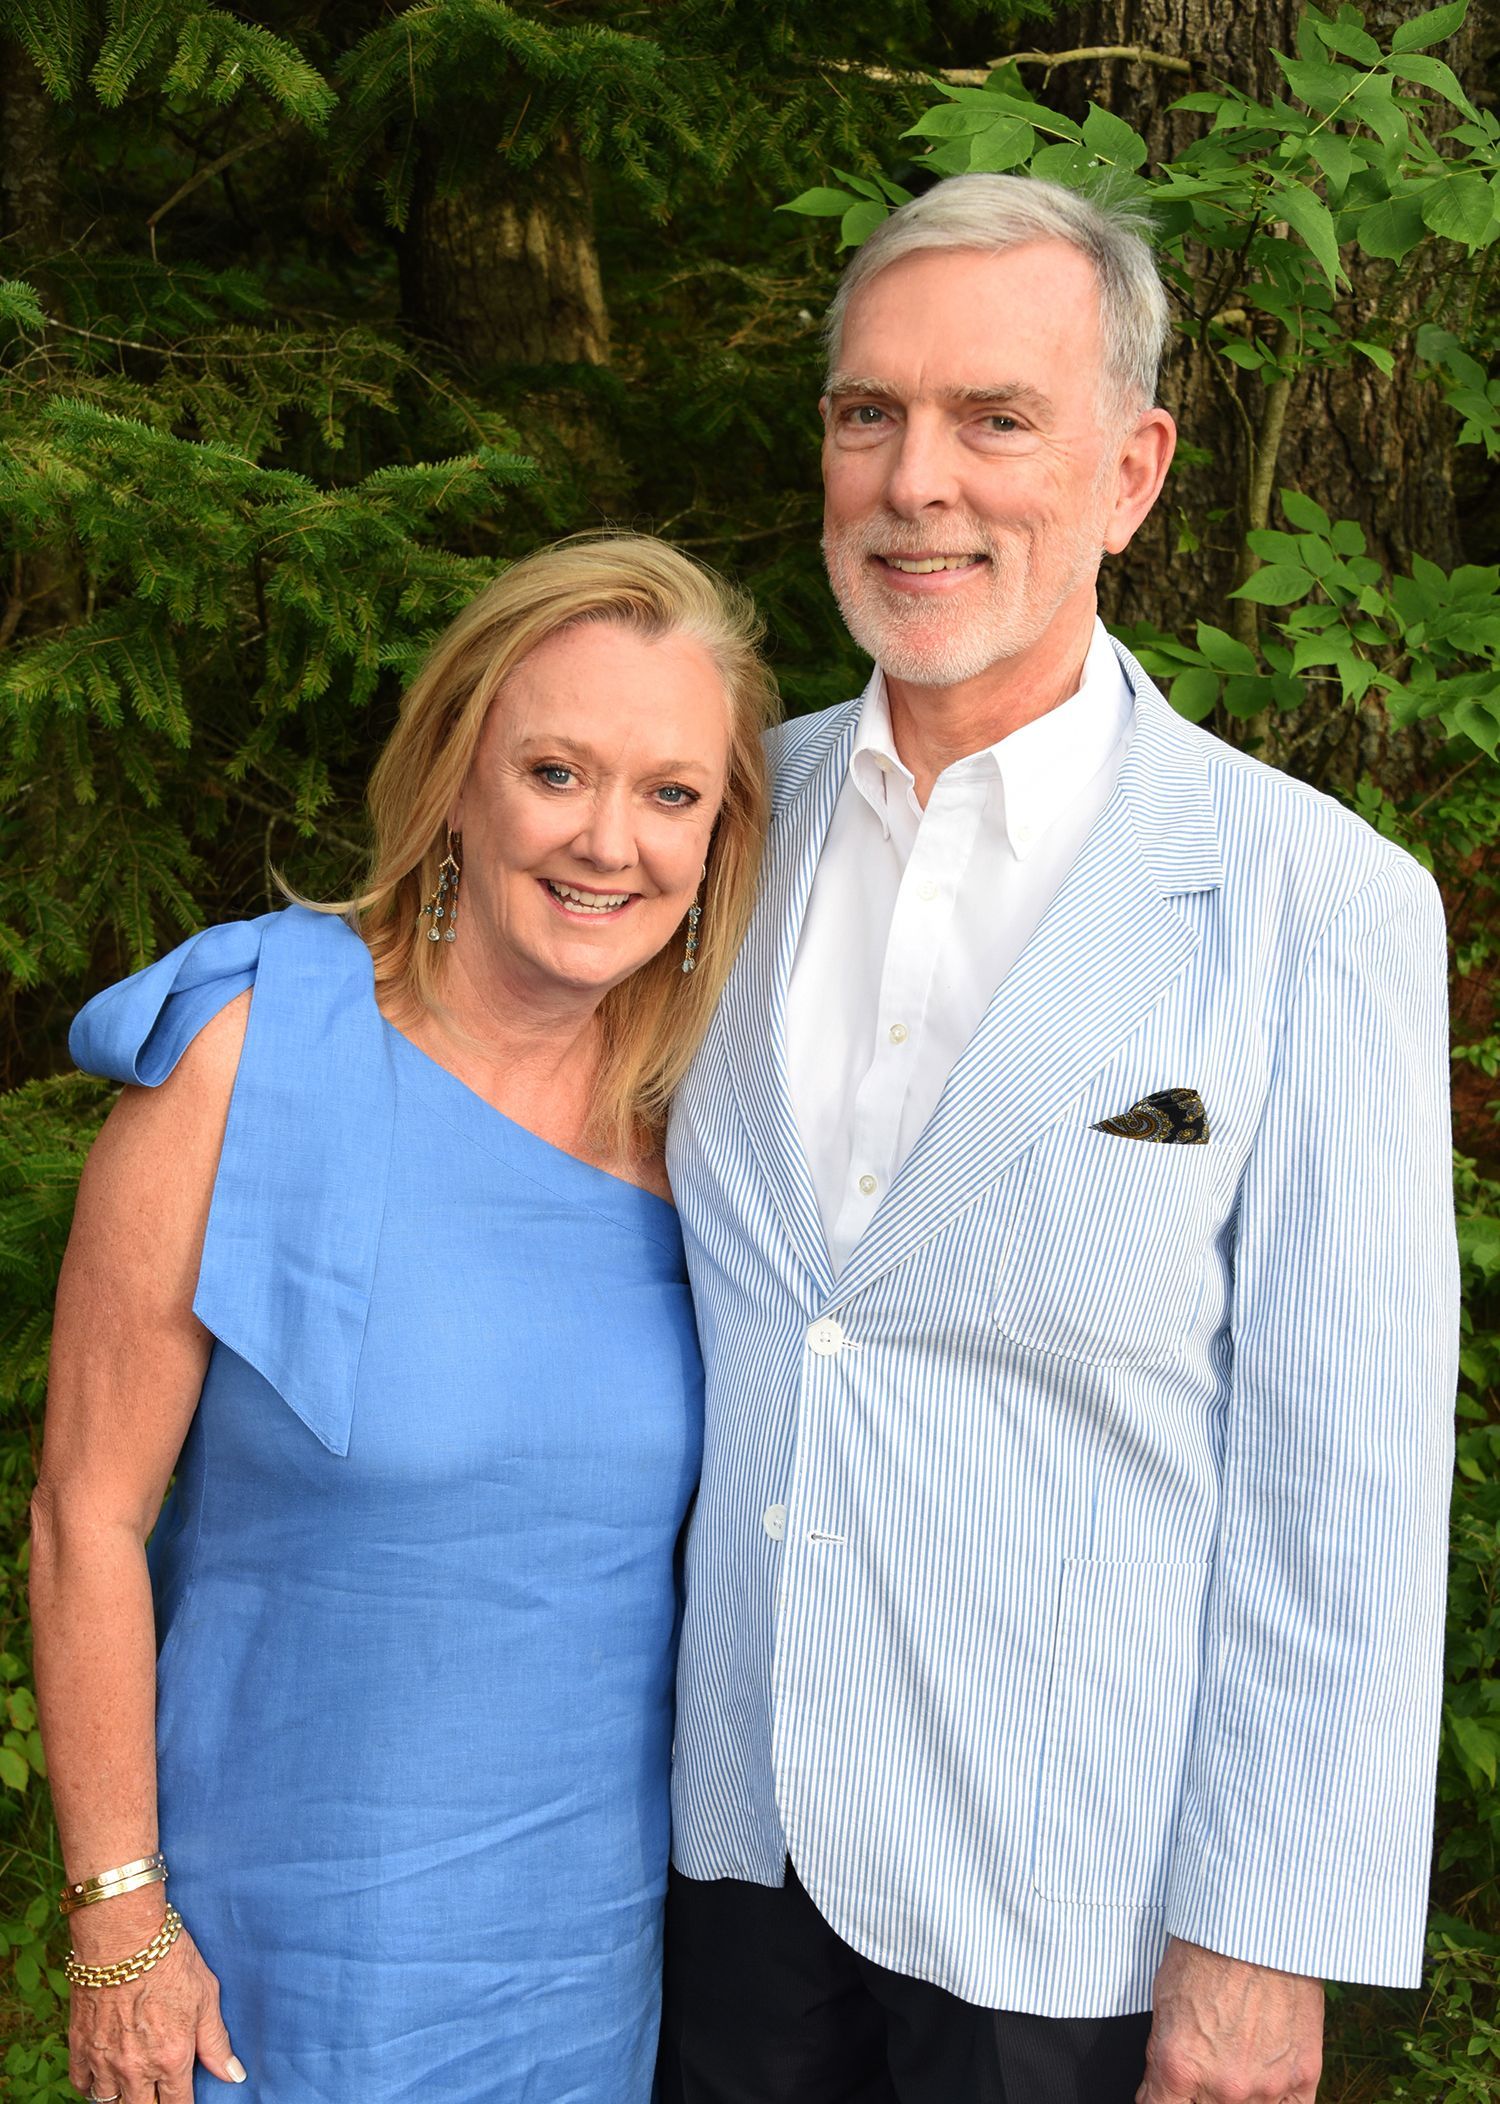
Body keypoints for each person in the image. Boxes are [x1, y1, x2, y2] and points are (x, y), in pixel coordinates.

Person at [658, 176, 1457, 2104]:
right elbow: (472, 1007)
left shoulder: (1310, 902)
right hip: (728, 1865)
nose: (917, 480)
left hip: (1076, 1919)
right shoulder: (710, 827)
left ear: (1132, 468)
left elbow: (1341, 1483)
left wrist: (1265, 1938)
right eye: (870, 415)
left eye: (994, 419)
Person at [31, 533, 777, 2104]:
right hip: (270, 1966)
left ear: (720, 839)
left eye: (670, 794)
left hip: (585, 1970)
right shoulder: (255, 1047)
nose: (609, 842)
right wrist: (117, 1918)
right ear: (455, 779)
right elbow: (84, 1517)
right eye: (557, 772)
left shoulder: (708, 1135)